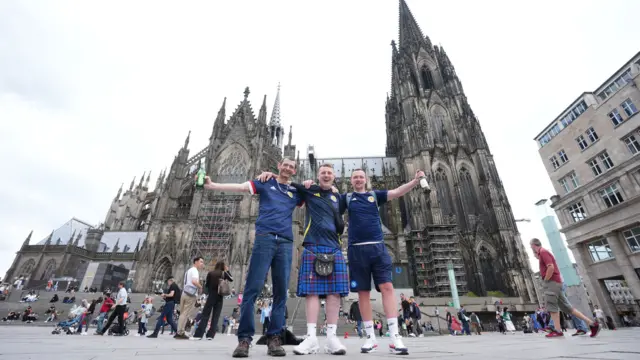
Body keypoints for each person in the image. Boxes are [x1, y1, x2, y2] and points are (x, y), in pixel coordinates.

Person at [202, 158, 303, 357]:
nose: (288, 168)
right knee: (251, 290)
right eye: (286, 165)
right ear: (280, 166)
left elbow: (318, 195)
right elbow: (241, 187)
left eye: (292, 166)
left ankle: (275, 338)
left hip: (285, 242)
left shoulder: (295, 192)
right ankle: (244, 340)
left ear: (294, 171)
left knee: (281, 292)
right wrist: (213, 185)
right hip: (265, 239)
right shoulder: (265, 183)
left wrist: (316, 186)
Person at [338, 168, 425, 354]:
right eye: (355, 177)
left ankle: (395, 336)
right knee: (362, 293)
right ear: (351, 181)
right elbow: (326, 202)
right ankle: (370, 337)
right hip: (356, 249)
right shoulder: (345, 198)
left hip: (378, 247)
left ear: (366, 179)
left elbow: (397, 192)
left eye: (361, 177)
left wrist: (415, 181)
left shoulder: (374, 195)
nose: (358, 179)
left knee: (387, 288)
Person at [265, 163, 347, 355]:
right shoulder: (309, 189)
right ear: (318, 176)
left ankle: (332, 338)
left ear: (334, 177)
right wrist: (272, 175)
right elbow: (286, 182)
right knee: (311, 293)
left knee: (335, 294)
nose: (326, 175)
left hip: (334, 246)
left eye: (329, 173)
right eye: (323, 173)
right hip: (312, 244)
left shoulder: (339, 197)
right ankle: (311, 338)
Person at [530, 238, 600, 338]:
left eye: (530, 246)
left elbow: (551, 267)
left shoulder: (543, 252)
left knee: (552, 307)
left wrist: (546, 280)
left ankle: (557, 331)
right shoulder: (542, 253)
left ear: (533, 245)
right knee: (568, 308)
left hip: (552, 282)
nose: (530, 248)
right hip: (555, 282)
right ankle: (592, 324)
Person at [192, 261, 233, 340]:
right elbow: (231, 279)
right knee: (215, 316)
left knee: (205, 315)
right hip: (219, 297)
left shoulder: (211, 273)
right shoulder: (223, 273)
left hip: (211, 296)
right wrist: (227, 270)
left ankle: (198, 335)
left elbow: (206, 285)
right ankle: (210, 335)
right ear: (223, 266)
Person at [175, 257, 205, 339]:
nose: (202, 264)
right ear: (196, 262)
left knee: (182, 313)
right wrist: (200, 287)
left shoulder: (189, 271)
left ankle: (179, 331)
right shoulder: (195, 271)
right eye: (201, 262)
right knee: (185, 314)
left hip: (184, 293)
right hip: (190, 295)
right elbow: (194, 281)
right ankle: (180, 332)